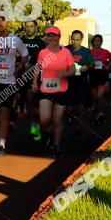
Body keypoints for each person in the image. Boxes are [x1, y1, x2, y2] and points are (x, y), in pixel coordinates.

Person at [0, 15, 28, 157]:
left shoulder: (15, 40)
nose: (0, 23)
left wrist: (21, 64)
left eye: (3, 21)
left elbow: (25, 54)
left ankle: (1, 144)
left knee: (5, 111)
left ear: (8, 23)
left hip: (8, 82)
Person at [32, 26, 75, 158]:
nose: (52, 38)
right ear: (46, 38)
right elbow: (37, 69)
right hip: (45, 90)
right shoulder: (43, 53)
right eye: (49, 36)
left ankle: (56, 146)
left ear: (59, 37)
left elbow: (73, 70)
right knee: (44, 119)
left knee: (57, 120)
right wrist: (34, 82)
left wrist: (65, 74)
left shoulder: (66, 52)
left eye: (54, 35)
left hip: (61, 90)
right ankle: (47, 130)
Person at [18, 20, 45, 136]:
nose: (29, 28)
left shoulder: (41, 43)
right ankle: (29, 120)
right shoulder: (19, 41)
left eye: (31, 26)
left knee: (32, 99)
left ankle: (36, 124)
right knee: (21, 98)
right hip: (20, 74)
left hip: (35, 76)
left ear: (35, 28)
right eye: (27, 27)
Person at [66, 30, 93, 139]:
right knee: (69, 106)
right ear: (71, 38)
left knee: (81, 106)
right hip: (68, 82)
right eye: (73, 39)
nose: (75, 42)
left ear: (81, 40)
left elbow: (92, 64)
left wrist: (87, 67)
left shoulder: (86, 52)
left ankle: (79, 129)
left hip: (82, 82)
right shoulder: (66, 50)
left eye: (77, 40)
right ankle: (70, 114)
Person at [89, 34, 111, 124]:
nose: (97, 42)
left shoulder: (106, 52)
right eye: (95, 41)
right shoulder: (89, 52)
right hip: (93, 76)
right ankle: (97, 112)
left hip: (102, 76)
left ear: (101, 42)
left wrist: (109, 65)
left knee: (99, 96)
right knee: (95, 97)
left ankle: (101, 113)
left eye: (99, 40)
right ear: (93, 42)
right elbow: (86, 63)